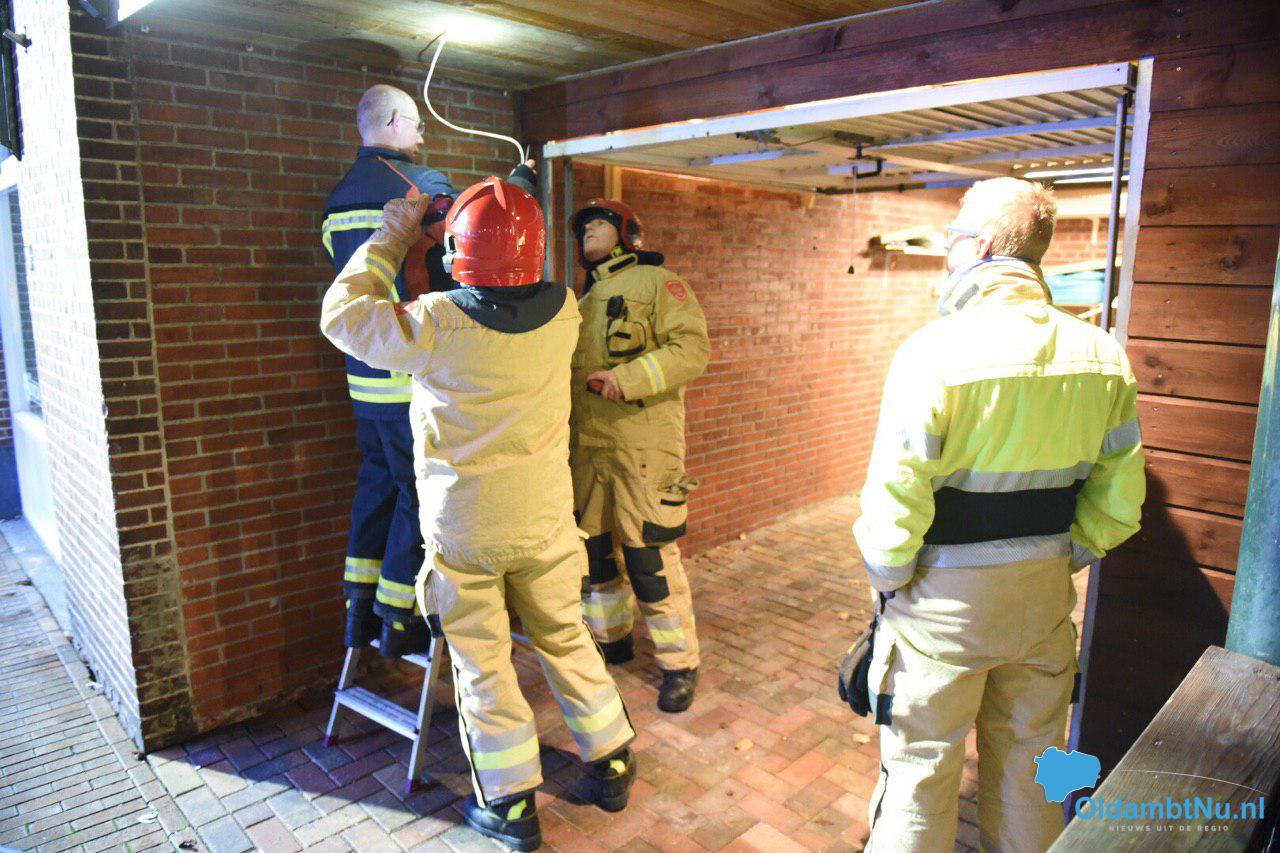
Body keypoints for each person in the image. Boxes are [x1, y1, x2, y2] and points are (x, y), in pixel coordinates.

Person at [321, 179, 637, 852]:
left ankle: (510, 803)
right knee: (566, 636)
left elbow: (343, 315)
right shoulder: (565, 309)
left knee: (484, 664)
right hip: (545, 522)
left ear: (457, 251)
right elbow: (502, 301)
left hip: (465, 531)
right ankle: (612, 761)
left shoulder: (435, 320)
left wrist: (396, 234)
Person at [852, 177, 1146, 851]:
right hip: (1042, 603)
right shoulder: (1104, 356)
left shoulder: (931, 351)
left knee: (919, 777)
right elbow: (1121, 502)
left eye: (955, 231)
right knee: (1034, 773)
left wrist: (891, 581)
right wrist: (1062, 555)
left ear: (982, 246)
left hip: (940, 608)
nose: (948, 244)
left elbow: (895, 499)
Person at [320, 84, 457, 657]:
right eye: (418, 124)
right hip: (412, 378)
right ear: (396, 121)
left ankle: (358, 614)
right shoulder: (422, 186)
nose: (422, 136)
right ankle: (399, 620)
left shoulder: (337, 200)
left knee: (376, 487)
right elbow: (460, 271)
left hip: (362, 379)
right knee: (418, 495)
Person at [568, 199, 711, 713]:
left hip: (643, 446)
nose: (588, 232)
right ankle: (614, 640)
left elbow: (692, 349)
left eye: (599, 224)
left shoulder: (659, 284)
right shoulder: (582, 300)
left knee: (649, 557)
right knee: (596, 554)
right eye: (584, 227)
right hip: (589, 448)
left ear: (628, 234)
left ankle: (679, 665)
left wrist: (626, 379)